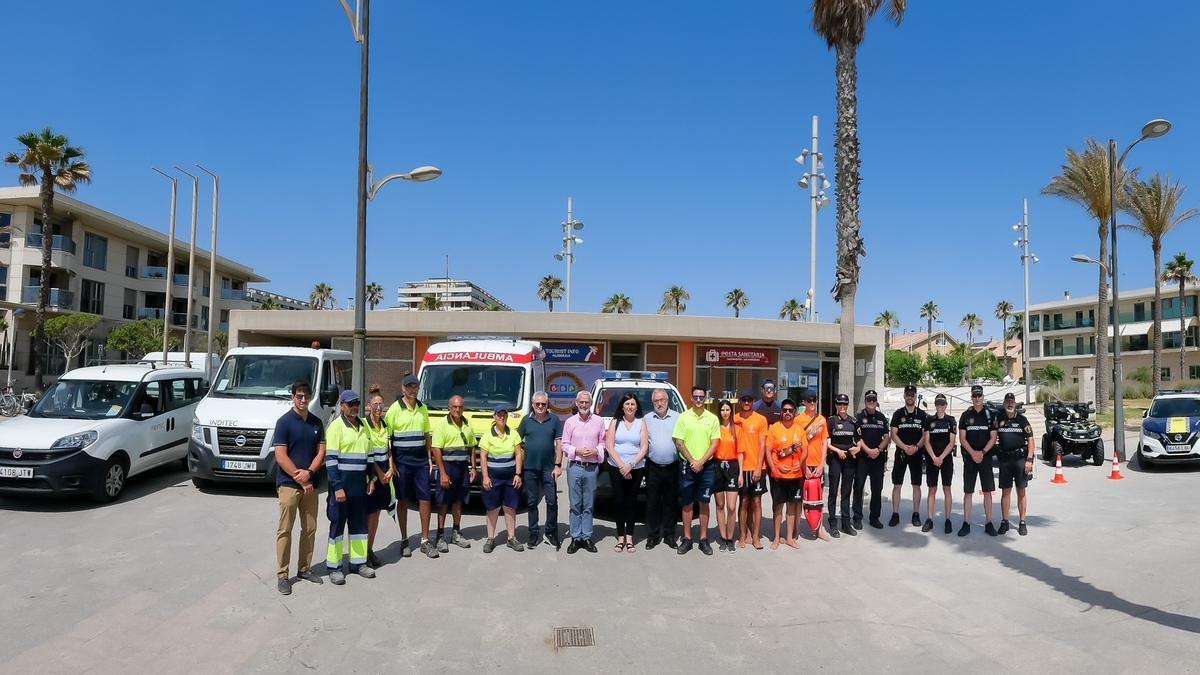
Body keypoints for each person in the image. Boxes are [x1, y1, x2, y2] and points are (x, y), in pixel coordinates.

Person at [324, 390, 386, 585]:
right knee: (337, 527)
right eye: (350, 404)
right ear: (342, 405)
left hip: (360, 487)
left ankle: (358, 563)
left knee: (359, 527)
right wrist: (337, 487)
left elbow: (369, 458)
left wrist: (371, 479)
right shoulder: (335, 427)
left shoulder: (364, 427)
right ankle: (334, 567)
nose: (354, 407)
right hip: (342, 488)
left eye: (357, 403)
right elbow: (331, 461)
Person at [272, 381, 326, 595]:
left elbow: (321, 452)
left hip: (310, 484)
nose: (303, 400)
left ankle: (304, 568)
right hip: (288, 485)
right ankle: (282, 575)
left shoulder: (316, 422)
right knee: (285, 529)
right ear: (293, 397)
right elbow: (280, 456)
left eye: (306, 396)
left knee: (310, 528)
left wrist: (310, 474)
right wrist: (300, 477)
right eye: (299, 396)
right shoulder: (284, 422)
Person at [384, 374, 434, 558]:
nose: (412, 389)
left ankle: (425, 540)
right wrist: (391, 463)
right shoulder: (394, 410)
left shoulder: (423, 409)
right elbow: (387, 440)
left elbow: (427, 435)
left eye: (415, 386)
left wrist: (429, 459)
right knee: (403, 500)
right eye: (409, 386)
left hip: (420, 462)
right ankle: (404, 540)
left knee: (425, 498)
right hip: (401, 463)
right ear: (403, 388)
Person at [673, 386, 721, 555]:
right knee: (687, 503)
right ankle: (687, 539)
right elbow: (679, 441)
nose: (699, 400)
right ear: (691, 398)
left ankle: (703, 539)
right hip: (688, 465)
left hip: (707, 467)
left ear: (705, 398)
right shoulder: (683, 417)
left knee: (704, 502)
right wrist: (693, 461)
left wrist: (701, 461)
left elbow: (715, 443)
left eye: (702, 397)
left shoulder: (713, 418)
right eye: (696, 397)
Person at [517, 391, 563, 549]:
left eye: (543, 404)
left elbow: (559, 444)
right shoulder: (526, 420)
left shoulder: (555, 420)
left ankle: (551, 531)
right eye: (538, 404)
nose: (541, 406)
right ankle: (533, 532)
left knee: (552, 501)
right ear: (532, 404)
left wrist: (558, 465)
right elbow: (517, 441)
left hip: (549, 468)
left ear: (547, 404)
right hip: (530, 468)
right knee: (531, 502)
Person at [430, 394, 477, 551]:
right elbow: (436, 449)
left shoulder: (467, 424)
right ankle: (440, 536)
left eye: (460, 407)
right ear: (449, 408)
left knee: (458, 501)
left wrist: (473, 468)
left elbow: (471, 446)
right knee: (443, 502)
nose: (457, 410)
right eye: (454, 407)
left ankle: (456, 532)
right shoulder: (442, 425)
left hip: (462, 469)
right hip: (447, 468)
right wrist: (442, 473)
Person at [561, 390, 605, 553]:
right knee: (575, 504)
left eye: (587, 402)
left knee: (588, 505)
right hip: (575, 467)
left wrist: (595, 451)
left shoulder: (599, 421)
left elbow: (604, 443)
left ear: (591, 403)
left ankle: (586, 537)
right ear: (577, 403)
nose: (584, 405)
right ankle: (575, 537)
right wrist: (577, 451)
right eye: (581, 402)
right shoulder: (570, 422)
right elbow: (564, 444)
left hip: (591, 468)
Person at [605, 392, 649, 552]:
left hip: (636, 467)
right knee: (619, 501)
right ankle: (620, 538)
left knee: (631, 502)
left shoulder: (641, 423)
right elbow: (609, 445)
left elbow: (644, 447)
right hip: (616, 467)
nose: (630, 407)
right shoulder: (615, 422)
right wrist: (622, 465)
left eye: (632, 404)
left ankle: (630, 537)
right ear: (622, 407)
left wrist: (630, 464)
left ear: (636, 406)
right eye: (627, 404)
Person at [478, 406, 526, 552]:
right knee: (493, 508)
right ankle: (490, 539)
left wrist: (518, 474)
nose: (501, 417)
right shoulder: (487, 435)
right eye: (499, 415)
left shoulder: (514, 434)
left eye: (504, 415)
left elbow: (518, 454)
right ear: (494, 416)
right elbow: (483, 456)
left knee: (510, 507)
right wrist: (485, 477)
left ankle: (511, 538)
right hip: (493, 477)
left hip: (510, 477)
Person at [643, 388, 681, 550]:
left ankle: (669, 535)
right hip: (653, 467)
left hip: (673, 466)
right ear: (652, 403)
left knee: (670, 503)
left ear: (667, 401)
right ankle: (652, 536)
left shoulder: (678, 417)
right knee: (652, 503)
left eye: (662, 400)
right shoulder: (646, 419)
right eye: (656, 401)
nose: (659, 403)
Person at [958, 385, 998, 536]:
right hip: (970, 458)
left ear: (983, 397)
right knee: (968, 492)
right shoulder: (965, 415)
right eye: (974, 396)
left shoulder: (990, 415)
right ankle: (966, 523)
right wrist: (973, 453)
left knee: (987, 492)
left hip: (985, 457)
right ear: (971, 397)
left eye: (979, 396)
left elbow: (993, 437)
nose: (976, 398)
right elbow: (962, 438)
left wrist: (982, 452)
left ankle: (988, 523)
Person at [766, 399, 805, 549]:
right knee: (778, 508)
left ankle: (789, 538)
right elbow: (768, 452)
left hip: (795, 476)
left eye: (790, 410)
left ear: (794, 412)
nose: (787, 412)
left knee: (791, 508)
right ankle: (776, 538)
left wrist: (799, 463)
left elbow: (805, 450)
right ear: (781, 412)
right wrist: (775, 467)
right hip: (779, 477)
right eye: (785, 410)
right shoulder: (774, 428)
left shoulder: (799, 429)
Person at [995, 392, 1034, 536]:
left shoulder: (1023, 420)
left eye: (1012, 402)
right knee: (1005, 492)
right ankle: (1005, 522)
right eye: (1007, 402)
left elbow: (1031, 440)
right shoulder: (998, 419)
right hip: (1005, 460)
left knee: (1021, 491)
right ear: (1004, 403)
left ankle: (1022, 522)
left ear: (1015, 403)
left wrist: (1029, 460)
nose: (1010, 404)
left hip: (1020, 460)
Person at [889, 384, 928, 527]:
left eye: (912, 395)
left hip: (917, 453)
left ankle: (916, 513)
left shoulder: (922, 415)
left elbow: (925, 435)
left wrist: (916, 447)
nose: (910, 397)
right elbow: (893, 434)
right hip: (901, 453)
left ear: (916, 396)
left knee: (916, 485)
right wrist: (905, 447)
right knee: (897, 484)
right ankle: (895, 513)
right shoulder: (898, 414)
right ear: (904, 396)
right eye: (908, 394)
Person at [734, 391, 769, 549]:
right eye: (744, 399)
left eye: (749, 399)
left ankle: (755, 537)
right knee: (744, 502)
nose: (746, 402)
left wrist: (758, 467)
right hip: (742, 468)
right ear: (740, 401)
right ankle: (742, 535)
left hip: (757, 467)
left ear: (753, 401)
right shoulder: (735, 418)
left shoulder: (761, 419)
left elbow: (763, 445)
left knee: (756, 502)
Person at [363, 385, 393, 567]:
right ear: (369, 406)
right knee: (368, 514)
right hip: (371, 475)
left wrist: (390, 469)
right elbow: (369, 454)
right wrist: (380, 474)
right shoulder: (364, 425)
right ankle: (362, 552)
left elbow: (388, 450)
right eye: (375, 405)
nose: (378, 408)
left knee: (377, 515)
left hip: (384, 475)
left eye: (381, 405)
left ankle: (369, 549)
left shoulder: (385, 425)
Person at [796, 393, 832, 542]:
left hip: (817, 464)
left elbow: (825, 443)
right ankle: (795, 531)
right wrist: (803, 466)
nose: (812, 403)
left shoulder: (821, 420)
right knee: (798, 499)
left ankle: (819, 529)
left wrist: (821, 464)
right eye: (809, 401)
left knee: (818, 499)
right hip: (803, 464)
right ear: (804, 402)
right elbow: (797, 446)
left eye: (814, 401)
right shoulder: (798, 420)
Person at [853, 390, 890, 529]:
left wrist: (878, 450)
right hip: (863, 457)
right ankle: (857, 517)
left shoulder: (881, 417)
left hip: (878, 458)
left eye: (873, 400)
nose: (871, 402)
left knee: (877, 489)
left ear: (876, 401)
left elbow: (886, 436)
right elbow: (858, 438)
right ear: (865, 401)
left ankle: (875, 517)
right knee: (858, 487)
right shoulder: (859, 417)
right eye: (869, 400)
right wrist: (868, 450)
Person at [921, 394, 957, 534]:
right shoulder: (929, 420)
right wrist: (934, 458)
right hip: (932, 459)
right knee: (932, 489)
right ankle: (929, 519)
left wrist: (941, 457)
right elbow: (926, 441)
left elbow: (952, 442)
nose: (940, 406)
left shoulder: (951, 420)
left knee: (947, 489)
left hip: (946, 459)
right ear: (935, 405)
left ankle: (948, 519)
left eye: (942, 404)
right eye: (938, 404)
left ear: (946, 405)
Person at [825, 393, 858, 537]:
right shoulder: (831, 421)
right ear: (836, 406)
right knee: (833, 491)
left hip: (850, 460)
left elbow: (859, 440)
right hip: (835, 459)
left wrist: (858, 448)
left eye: (844, 404)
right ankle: (833, 523)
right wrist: (838, 451)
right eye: (839, 404)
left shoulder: (853, 421)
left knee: (846, 492)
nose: (842, 407)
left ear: (848, 405)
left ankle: (846, 523)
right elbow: (826, 442)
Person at [712, 400, 742, 552]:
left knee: (731, 506)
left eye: (727, 410)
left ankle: (730, 537)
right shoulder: (715, 428)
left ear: (731, 411)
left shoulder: (736, 429)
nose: (725, 412)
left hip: (732, 467)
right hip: (717, 466)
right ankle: (723, 537)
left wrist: (741, 473)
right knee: (720, 505)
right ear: (720, 412)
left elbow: (740, 453)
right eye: (722, 410)